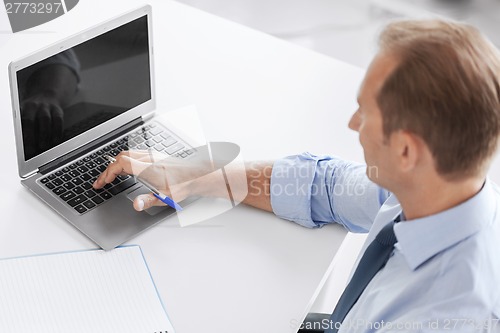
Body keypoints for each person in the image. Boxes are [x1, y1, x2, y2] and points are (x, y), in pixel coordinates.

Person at [93, 19, 500, 332]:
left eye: (366, 112)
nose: (352, 123)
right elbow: (321, 187)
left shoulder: (452, 313)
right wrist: (195, 174)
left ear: (407, 150)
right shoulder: (435, 186)